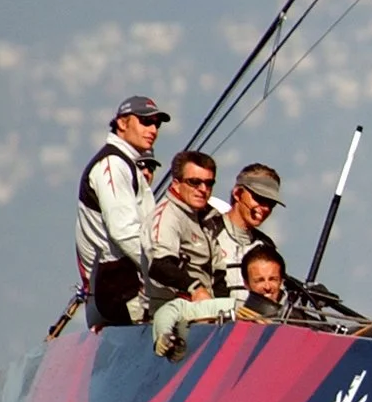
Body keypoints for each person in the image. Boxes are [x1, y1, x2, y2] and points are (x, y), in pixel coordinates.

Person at [76, 95, 169, 327]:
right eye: (145, 122)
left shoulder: (127, 164)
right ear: (122, 123)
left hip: (123, 289)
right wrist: (165, 273)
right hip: (117, 292)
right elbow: (124, 232)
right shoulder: (113, 164)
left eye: (157, 124)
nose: (153, 129)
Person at [151, 245, 289, 360]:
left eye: (272, 279)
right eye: (259, 280)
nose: (267, 286)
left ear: (281, 281)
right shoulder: (231, 307)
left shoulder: (296, 319)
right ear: (246, 284)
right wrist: (164, 335)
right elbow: (173, 308)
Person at [145, 150, 225, 314]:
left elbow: (218, 274)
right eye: (195, 182)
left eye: (209, 183)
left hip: (206, 314)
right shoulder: (167, 215)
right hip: (170, 314)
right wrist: (195, 288)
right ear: (176, 183)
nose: (203, 189)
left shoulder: (208, 218)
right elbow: (159, 266)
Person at [215, 164, 284, 295]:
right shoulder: (208, 232)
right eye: (259, 198)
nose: (265, 208)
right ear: (237, 194)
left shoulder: (266, 246)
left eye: (271, 203)